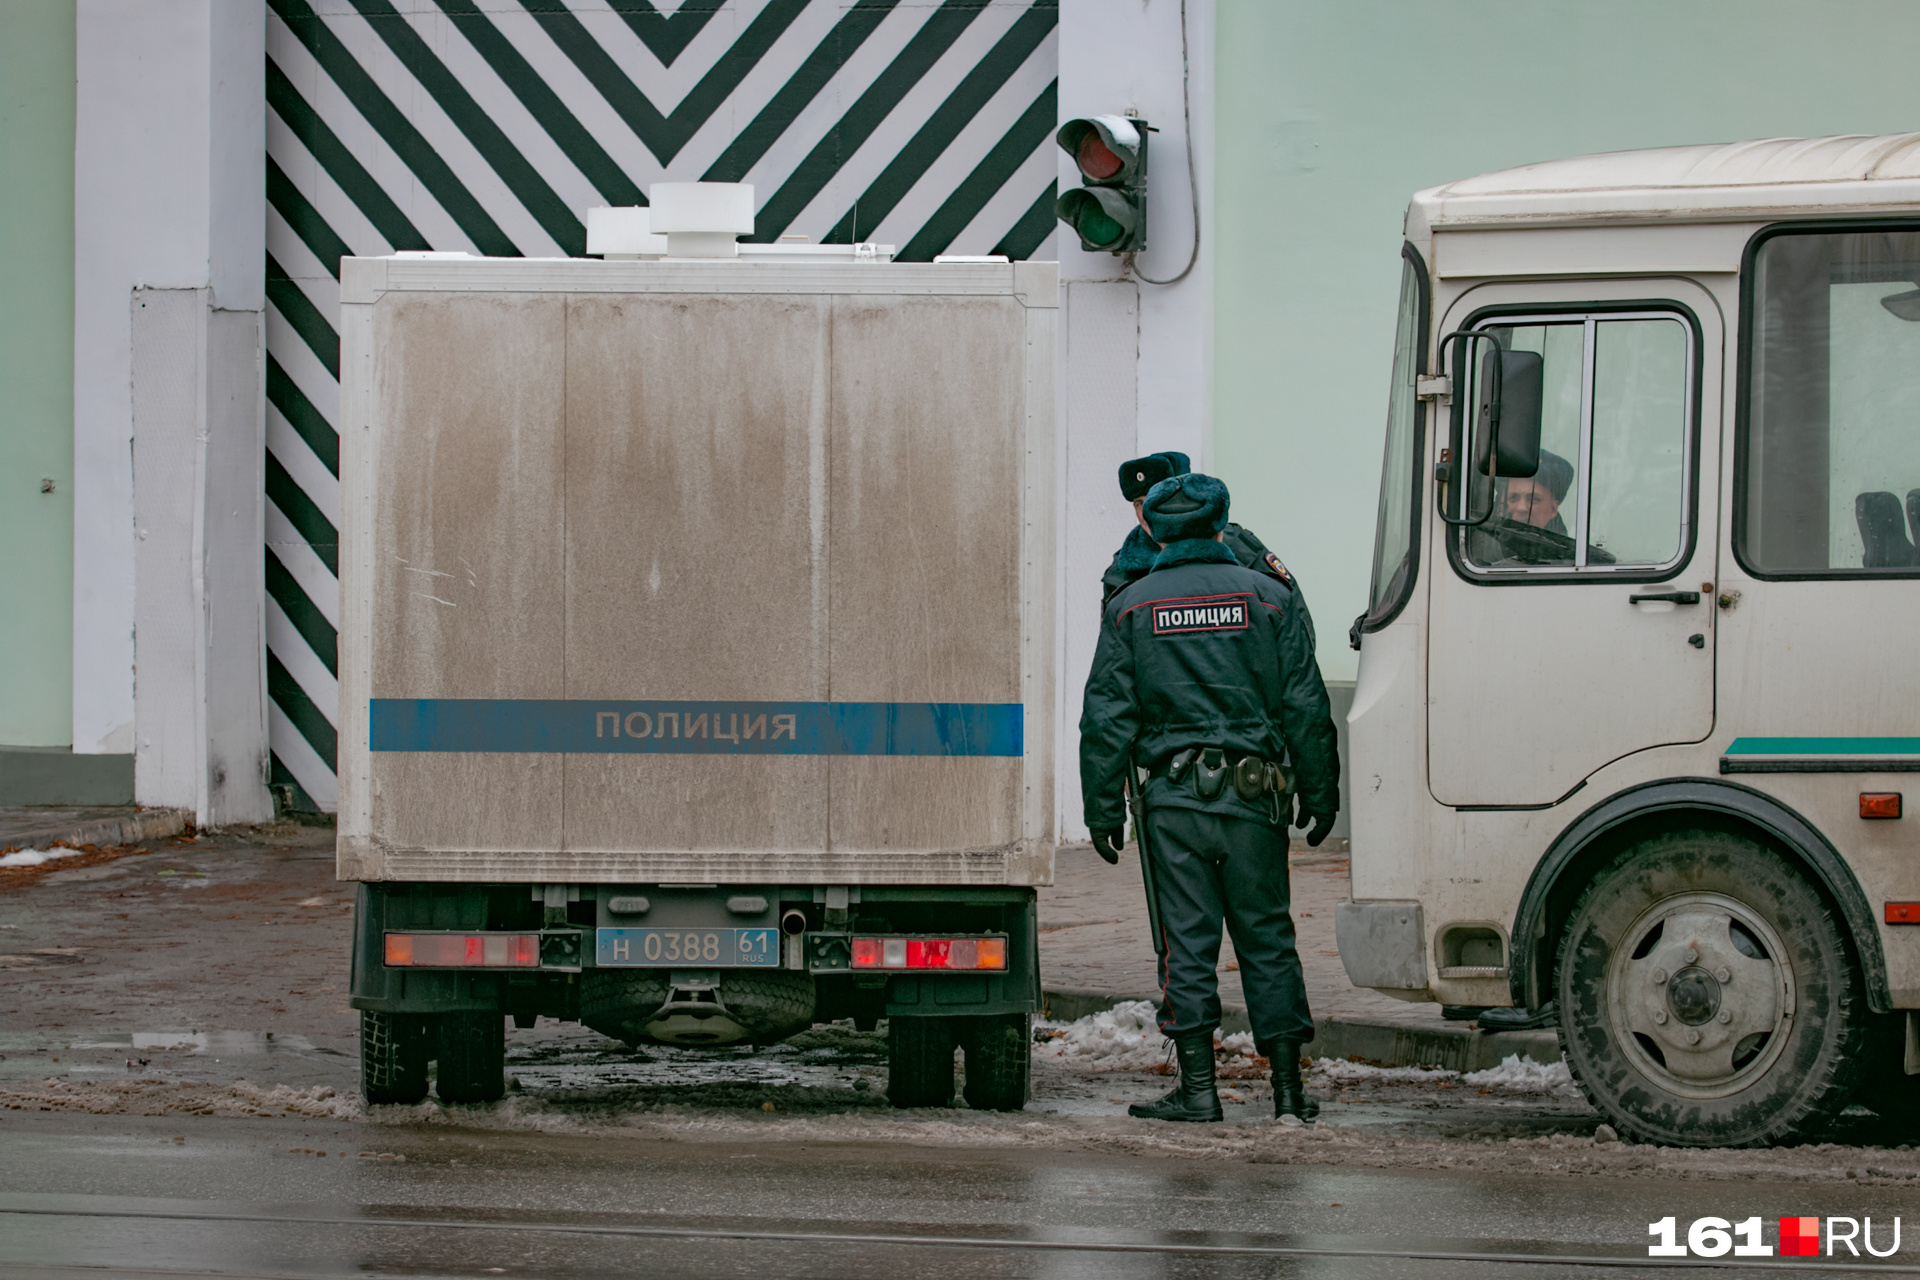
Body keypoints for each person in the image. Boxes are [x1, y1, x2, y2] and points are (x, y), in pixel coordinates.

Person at [1080, 472, 1341, 1125]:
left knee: (1187, 944)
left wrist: (1102, 808)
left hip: (1174, 806)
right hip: (1255, 803)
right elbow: (1305, 703)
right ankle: (1286, 1092)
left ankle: (1199, 1091)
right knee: (1269, 941)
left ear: (1158, 529)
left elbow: (1106, 718)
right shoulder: (1270, 598)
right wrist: (1320, 788)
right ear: (1222, 524)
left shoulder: (1132, 606)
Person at [1101, 452, 1315, 647]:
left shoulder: (1240, 547)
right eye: (1139, 503)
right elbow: (1113, 657)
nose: (1147, 512)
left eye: (1155, 500)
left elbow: (1293, 618)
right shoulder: (1122, 570)